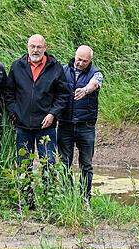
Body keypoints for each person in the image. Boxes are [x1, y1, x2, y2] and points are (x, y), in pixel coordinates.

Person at [5, 34, 70, 166]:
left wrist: (53, 114)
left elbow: (63, 95)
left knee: (48, 162)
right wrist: (14, 112)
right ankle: (25, 188)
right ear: (27, 47)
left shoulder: (55, 67)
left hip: (46, 125)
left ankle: (48, 187)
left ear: (45, 48)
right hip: (22, 125)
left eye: (39, 47)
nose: (35, 50)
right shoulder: (17, 66)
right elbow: (8, 93)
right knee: (23, 163)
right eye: (32, 46)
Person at [58, 45, 103, 203]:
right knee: (64, 162)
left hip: (86, 126)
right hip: (65, 125)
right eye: (78, 59)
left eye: (84, 61)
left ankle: (85, 198)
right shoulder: (63, 70)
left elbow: (94, 84)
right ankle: (68, 197)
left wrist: (85, 90)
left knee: (86, 164)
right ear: (74, 56)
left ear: (90, 61)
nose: (80, 63)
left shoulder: (96, 73)